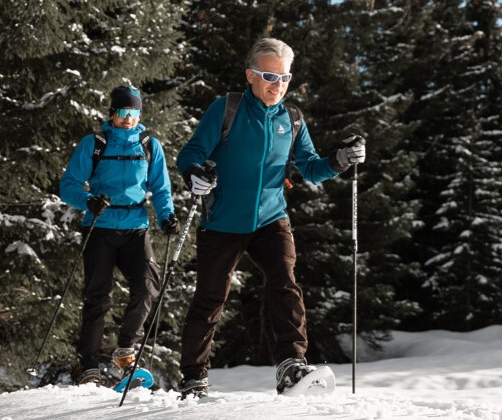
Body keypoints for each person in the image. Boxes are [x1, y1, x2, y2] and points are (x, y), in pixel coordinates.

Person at [175, 37, 365, 398]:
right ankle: (193, 378)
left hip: (271, 219)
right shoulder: (227, 108)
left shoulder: (291, 119)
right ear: (250, 75)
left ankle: (292, 366)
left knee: (285, 282)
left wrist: (340, 160)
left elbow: (310, 167)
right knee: (211, 298)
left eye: (285, 78)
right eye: (268, 76)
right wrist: (195, 172)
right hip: (222, 221)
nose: (277, 85)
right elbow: (192, 151)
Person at [59, 85, 177, 385]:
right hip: (100, 227)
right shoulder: (95, 143)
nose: (129, 119)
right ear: (112, 113)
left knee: (148, 287)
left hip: (135, 228)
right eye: (123, 112)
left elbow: (161, 189)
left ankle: (125, 350)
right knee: (98, 297)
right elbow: (69, 184)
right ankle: (89, 366)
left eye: (134, 113)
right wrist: (88, 201)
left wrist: (166, 218)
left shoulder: (150, 145)